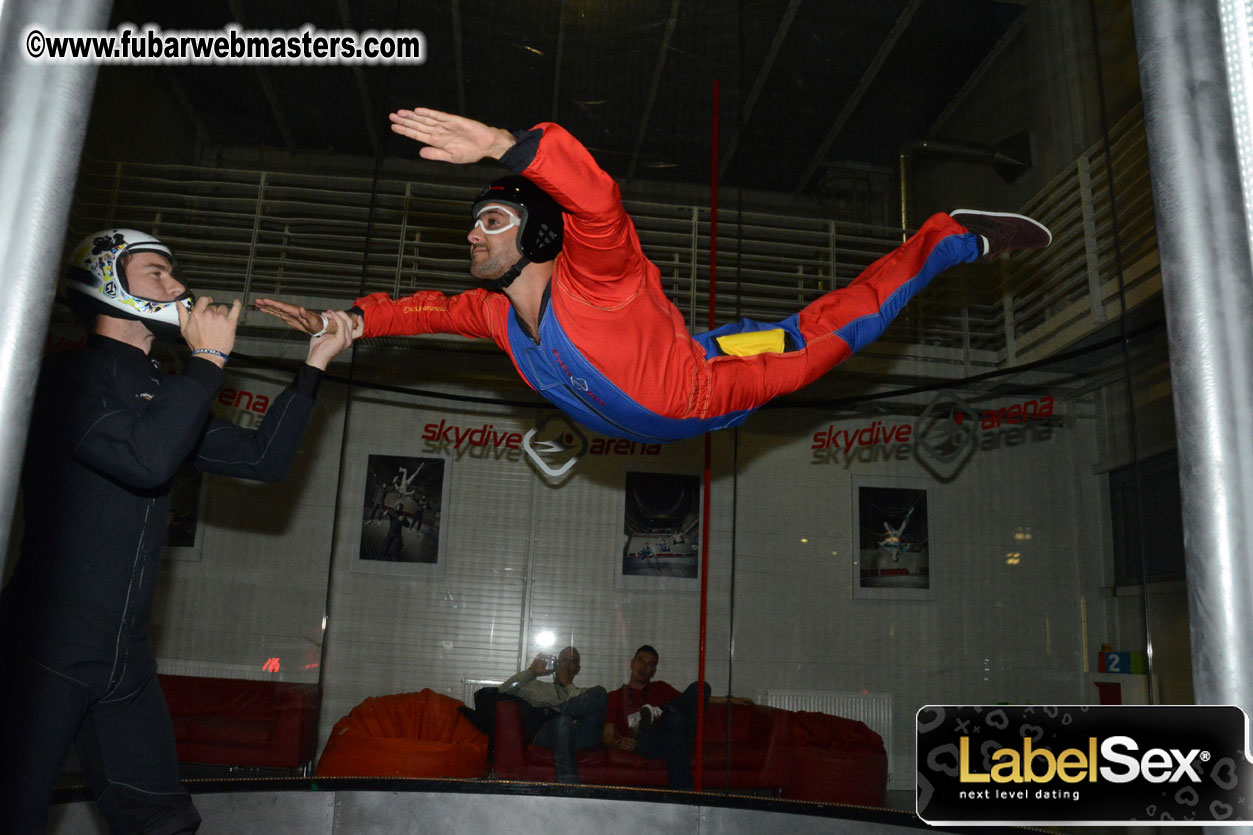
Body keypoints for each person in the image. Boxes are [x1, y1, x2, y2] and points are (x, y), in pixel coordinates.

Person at [255, 107, 1052, 444]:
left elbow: (597, 201)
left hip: (706, 387)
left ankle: (945, 240)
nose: (474, 229)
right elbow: (424, 310)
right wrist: (351, 322)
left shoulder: (596, 274)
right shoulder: (495, 317)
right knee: (716, 342)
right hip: (669, 379)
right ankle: (720, 343)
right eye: (473, 220)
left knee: (825, 335)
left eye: (491, 219)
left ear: (536, 233)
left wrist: (505, 144)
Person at [0, 229, 356, 834]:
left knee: (164, 822)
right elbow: (145, 460)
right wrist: (209, 361)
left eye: (174, 274)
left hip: (124, 655)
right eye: (157, 274)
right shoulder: (64, 379)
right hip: (44, 648)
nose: (178, 287)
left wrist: (315, 363)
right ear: (108, 286)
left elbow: (261, 461)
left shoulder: (164, 390)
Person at [602, 645, 710, 790]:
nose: (643, 667)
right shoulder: (614, 696)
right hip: (645, 742)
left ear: (653, 671)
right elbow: (607, 735)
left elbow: (688, 700)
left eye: (649, 665)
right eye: (640, 661)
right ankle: (687, 798)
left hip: (672, 737)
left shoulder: (661, 688)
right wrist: (618, 742)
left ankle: (659, 711)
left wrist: (729, 699)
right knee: (675, 722)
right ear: (632, 663)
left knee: (702, 688)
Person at [498, 646, 607, 784]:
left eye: (572, 661)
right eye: (563, 660)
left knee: (600, 692)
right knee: (564, 720)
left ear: (578, 669)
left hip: (580, 735)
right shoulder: (540, 688)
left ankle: (561, 709)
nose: (567, 664)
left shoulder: (583, 693)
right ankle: (568, 787)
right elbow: (503, 691)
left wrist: (568, 685)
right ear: (557, 664)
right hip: (549, 734)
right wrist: (532, 672)